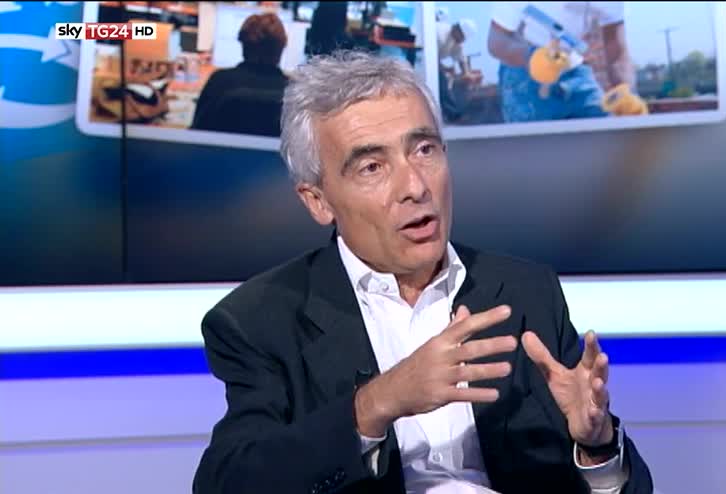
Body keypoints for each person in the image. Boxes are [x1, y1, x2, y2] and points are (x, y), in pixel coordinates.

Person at [192, 50, 652, 494]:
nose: (414, 186)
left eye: (425, 149)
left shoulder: (525, 291)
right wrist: (376, 403)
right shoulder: (261, 320)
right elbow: (229, 483)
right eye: (372, 166)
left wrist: (596, 445)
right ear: (318, 200)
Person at [487, 2, 636, 123]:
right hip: (524, 70)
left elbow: (616, 47)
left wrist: (624, 93)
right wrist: (531, 57)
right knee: (536, 145)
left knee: (607, 133)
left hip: (577, 68)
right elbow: (496, 41)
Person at [191, 12, 289, 136]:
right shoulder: (296, 92)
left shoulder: (220, 81)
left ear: (243, 45)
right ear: (281, 48)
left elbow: (195, 135)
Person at [436, 18, 479, 122]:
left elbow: (461, 58)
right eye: (462, 38)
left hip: (433, 61)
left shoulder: (455, 39)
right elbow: (431, 57)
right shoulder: (440, 34)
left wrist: (466, 73)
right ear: (457, 29)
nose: (462, 41)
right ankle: (453, 116)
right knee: (442, 83)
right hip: (419, 58)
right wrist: (446, 69)